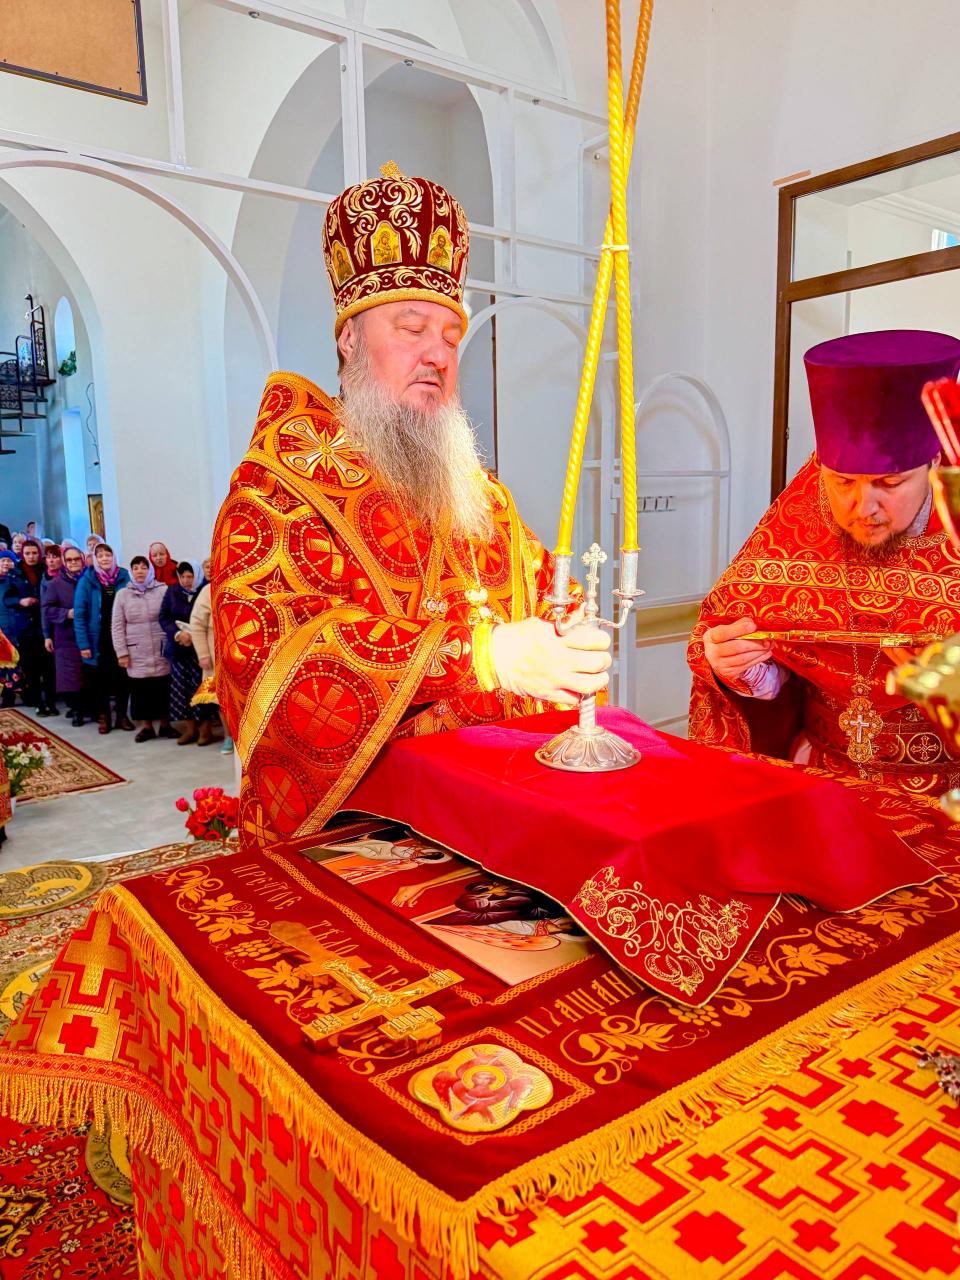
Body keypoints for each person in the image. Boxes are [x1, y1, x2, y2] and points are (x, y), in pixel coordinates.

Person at [213, 162, 610, 858]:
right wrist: (480, 656)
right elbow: (272, 668)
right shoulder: (279, 488)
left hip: (491, 829)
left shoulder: (479, 493)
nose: (438, 354)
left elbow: (544, 593)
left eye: (451, 336)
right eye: (411, 327)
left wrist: (571, 634)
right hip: (353, 840)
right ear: (349, 339)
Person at [689, 328, 960, 795]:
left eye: (890, 483)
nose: (863, 508)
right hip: (820, 782)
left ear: (933, 467)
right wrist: (740, 669)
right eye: (842, 481)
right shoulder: (799, 522)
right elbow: (766, 657)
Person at [112, 557, 173, 742]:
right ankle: (147, 728)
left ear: (150, 570)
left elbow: (170, 616)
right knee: (141, 690)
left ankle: (166, 725)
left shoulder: (163, 590)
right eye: (136, 568)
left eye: (144, 567)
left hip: (161, 647)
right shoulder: (123, 594)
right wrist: (122, 653)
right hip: (136, 650)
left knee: (163, 687)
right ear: (131, 571)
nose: (140, 571)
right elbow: (117, 625)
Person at [74, 543, 132, 734]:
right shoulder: (87, 580)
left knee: (122, 678)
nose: (105, 559)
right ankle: (104, 716)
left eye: (108, 555)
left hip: (121, 636)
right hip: (97, 639)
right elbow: (80, 615)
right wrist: (83, 644)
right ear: (95, 559)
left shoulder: (124, 576)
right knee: (100, 681)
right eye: (100, 556)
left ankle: (122, 716)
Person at [159, 561, 210, 744]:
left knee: (201, 691)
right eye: (182, 577)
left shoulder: (204, 591)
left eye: (190, 576)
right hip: (179, 648)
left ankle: (205, 730)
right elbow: (164, 617)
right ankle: (190, 729)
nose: (186, 580)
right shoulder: (172, 591)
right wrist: (178, 634)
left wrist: (194, 635)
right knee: (182, 690)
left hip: (200, 650)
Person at [6, 537, 56, 716]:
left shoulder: (46, 570)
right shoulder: (15, 573)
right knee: (31, 668)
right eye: (27, 553)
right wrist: (21, 601)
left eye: (34, 553)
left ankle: (50, 701)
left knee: (49, 667)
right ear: (22, 554)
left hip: (45, 624)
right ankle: (38, 703)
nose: (31, 556)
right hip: (25, 626)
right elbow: (7, 599)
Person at [42, 545, 87, 726]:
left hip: (89, 635)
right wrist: (66, 614)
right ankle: (76, 710)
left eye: (77, 559)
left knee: (89, 674)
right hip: (66, 636)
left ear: (82, 560)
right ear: (64, 562)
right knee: (70, 677)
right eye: (69, 560)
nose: (73, 562)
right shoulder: (55, 584)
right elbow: (47, 609)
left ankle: (89, 708)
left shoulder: (89, 580)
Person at [189, 581, 232, 753]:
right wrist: (203, 654)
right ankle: (229, 736)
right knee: (222, 700)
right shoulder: (209, 590)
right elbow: (197, 625)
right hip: (216, 658)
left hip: (244, 655)